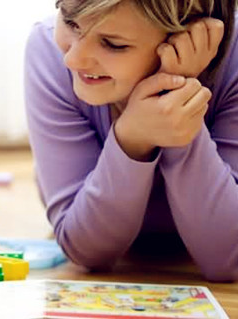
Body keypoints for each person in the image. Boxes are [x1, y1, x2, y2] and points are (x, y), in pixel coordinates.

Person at [24, 0, 238, 282]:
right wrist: (132, 138)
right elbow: (87, 251)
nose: (72, 60)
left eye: (113, 44)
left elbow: (226, 258)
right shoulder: (48, 52)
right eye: (70, 22)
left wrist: (175, 95)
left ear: (190, 36)